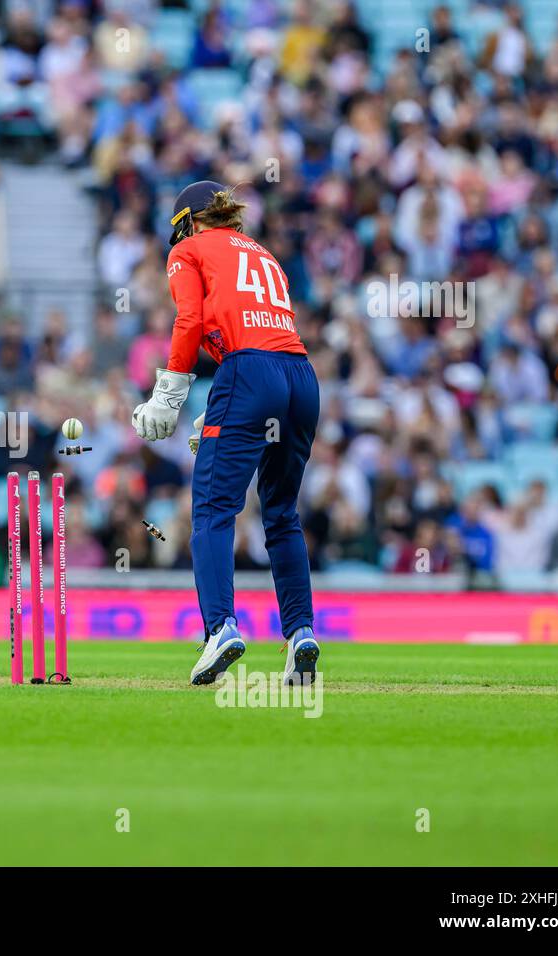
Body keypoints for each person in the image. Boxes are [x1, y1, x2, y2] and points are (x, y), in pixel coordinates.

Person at [131, 182, 320, 686]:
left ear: (189, 223)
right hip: (300, 377)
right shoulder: (263, 253)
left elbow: (191, 319)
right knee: (281, 512)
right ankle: (301, 633)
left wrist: (170, 391)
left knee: (214, 508)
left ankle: (220, 628)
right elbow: (262, 327)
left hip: (249, 374)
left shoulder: (188, 248)